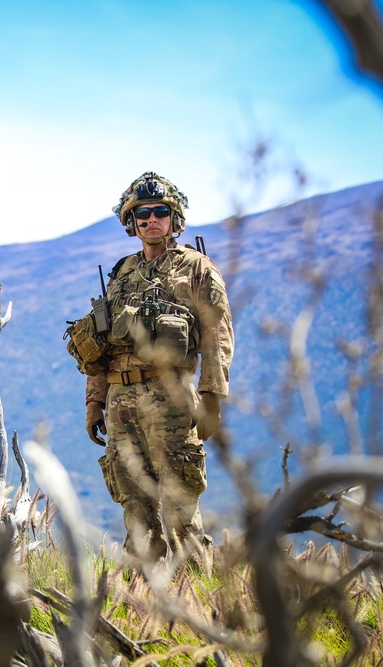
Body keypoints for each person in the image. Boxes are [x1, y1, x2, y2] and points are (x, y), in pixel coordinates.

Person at [83, 171, 234, 565]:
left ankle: (197, 604)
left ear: (174, 218)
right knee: (135, 511)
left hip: (172, 399)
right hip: (120, 401)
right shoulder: (121, 275)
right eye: (143, 213)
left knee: (180, 510)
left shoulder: (197, 269)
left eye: (160, 212)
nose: (151, 220)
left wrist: (212, 398)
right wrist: (94, 401)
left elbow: (217, 336)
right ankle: (141, 604)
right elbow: (100, 346)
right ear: (131, 223)